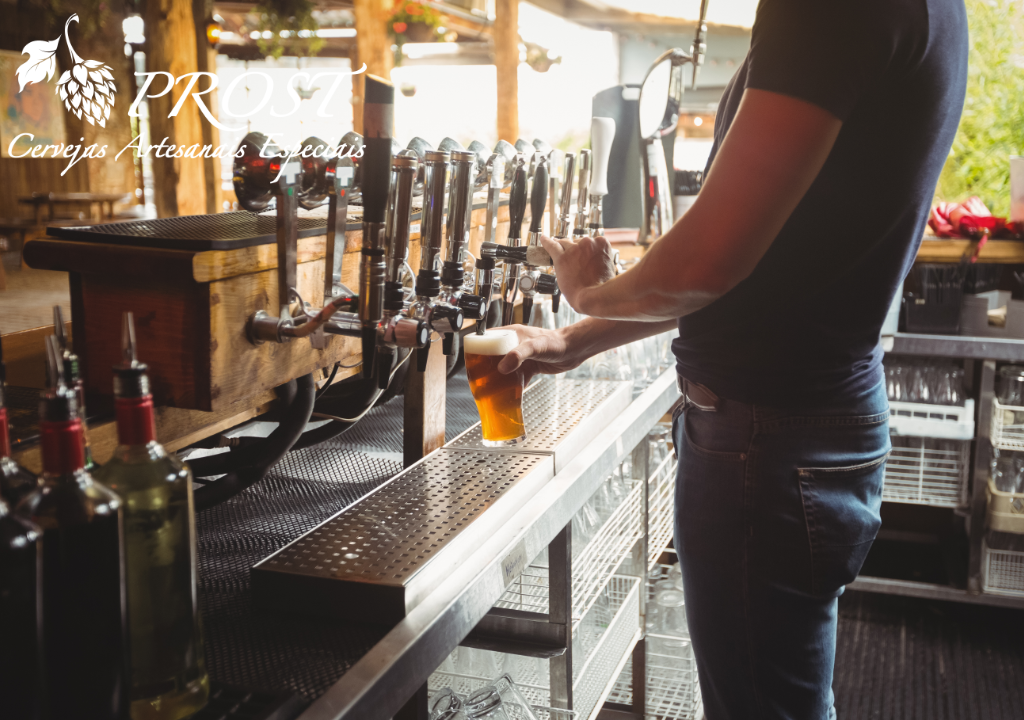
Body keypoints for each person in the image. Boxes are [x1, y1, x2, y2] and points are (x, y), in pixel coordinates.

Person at [497, 1, 969, 718]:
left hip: (766, 441)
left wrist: (589, 290)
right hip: (807, 421)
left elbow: (712, 262)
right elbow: (767, 269)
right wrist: (574, 337)